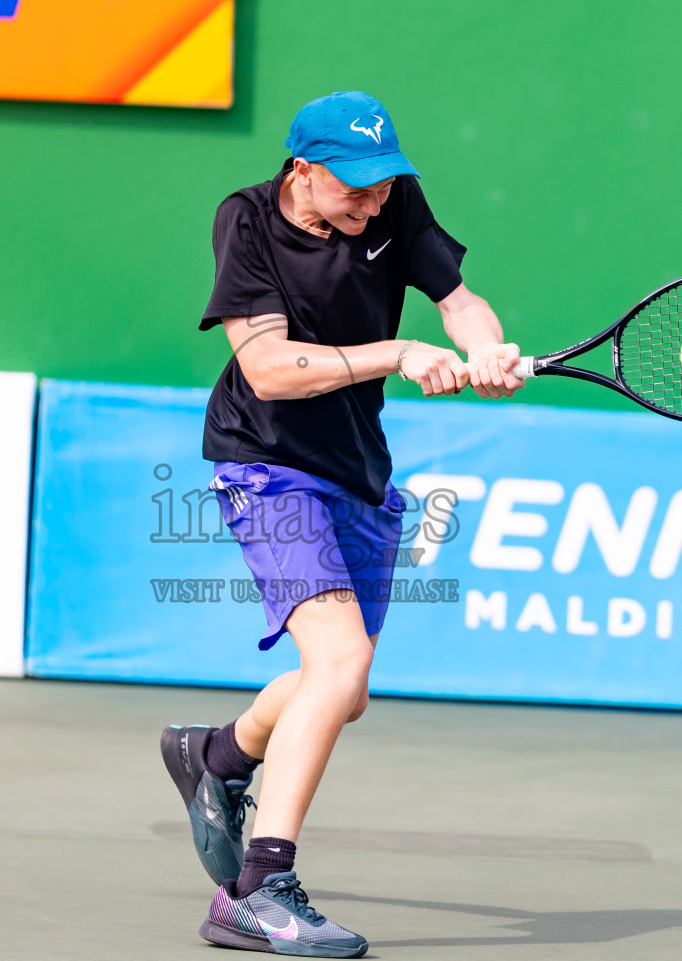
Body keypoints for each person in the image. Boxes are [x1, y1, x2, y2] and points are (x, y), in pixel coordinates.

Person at [159, 91, 523, 958]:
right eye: (353, 188)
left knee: (342, 690)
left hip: (356, 469)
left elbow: (460, 301)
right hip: (265, 462)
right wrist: (397, 354)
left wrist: (485, 348)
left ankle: (217, 756)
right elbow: (271, 368)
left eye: (384, 186)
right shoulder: (245, 221)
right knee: (341, 659)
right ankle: (257, 889)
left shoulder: (394, 206)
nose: (372, 202)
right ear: (303, 171)